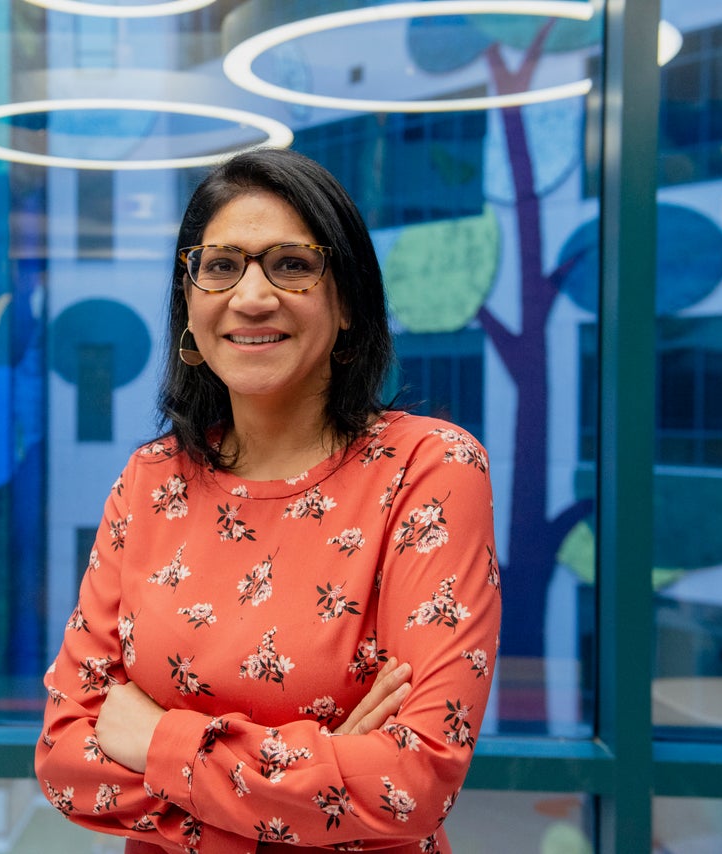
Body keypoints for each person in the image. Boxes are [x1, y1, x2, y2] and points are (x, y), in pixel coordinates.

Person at [35, 147, 500, 854]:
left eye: (291, 264)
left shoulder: (429, 469)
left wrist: (157, 740)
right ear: (189, 303)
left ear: (345, 302)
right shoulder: (150, 481)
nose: (252, 296)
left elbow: (412, 781)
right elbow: (67, 761)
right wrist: (313, 789)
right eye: (221, 266)